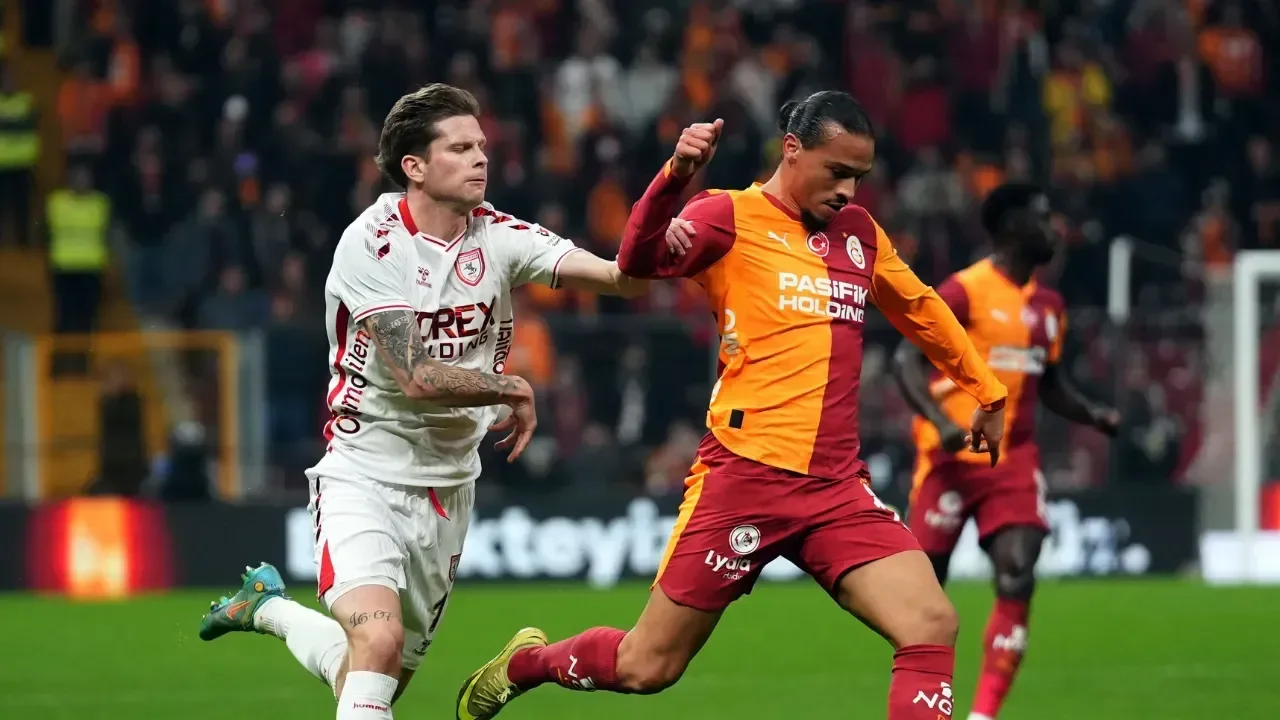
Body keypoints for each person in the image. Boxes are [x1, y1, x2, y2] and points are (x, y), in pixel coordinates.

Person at [456, 91, 1010, 720]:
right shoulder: (726, 216)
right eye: (837, 172)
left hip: (835, 488)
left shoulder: (859, 233)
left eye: (859, 176)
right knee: (647, 666)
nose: (848, 191)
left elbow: (921, 308)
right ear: (792, 150)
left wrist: (987, 390)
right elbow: (635, 263)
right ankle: (528, 664)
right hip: (745, 479)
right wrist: (675, 178)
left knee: (931, 621)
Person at [196, 83, 646, 720]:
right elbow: (415, 376)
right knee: (377, 643)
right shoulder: (371, 243)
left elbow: (621, 278)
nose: (480, 158)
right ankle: (276, 609)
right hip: (364, 475)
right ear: (415, 166)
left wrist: (670, 197)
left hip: (448, 489)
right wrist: (509, 386)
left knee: (370, 675)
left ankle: (268, 608)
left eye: (481, 146)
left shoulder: (499, 236)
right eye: (459, 148)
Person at [891, 183, 1120, 720]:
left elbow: (1050, 383)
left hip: (1014, 462)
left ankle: (983, 715)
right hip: (949, 462)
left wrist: (1091, 413)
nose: (1054, 229)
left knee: (1018, 572)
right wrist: (940, 423)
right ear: (1011, 226)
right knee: (923, 597)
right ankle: (924, 701)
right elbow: (905, 360)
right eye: (1042, 217)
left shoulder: (1050, 306)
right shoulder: (964, 291)